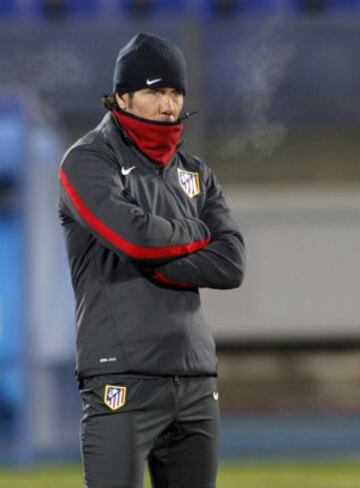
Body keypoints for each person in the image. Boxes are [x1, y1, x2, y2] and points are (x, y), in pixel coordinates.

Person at [58, 32, 245, 488]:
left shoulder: (196, 173)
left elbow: (231, 263)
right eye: (155, 92)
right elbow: (135, 238)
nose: (168, 105)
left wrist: (153, 254)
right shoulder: (87, 161)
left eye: (175, 93)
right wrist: (197, 233)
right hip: (121, 377)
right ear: (122, 96)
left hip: (196, 377)